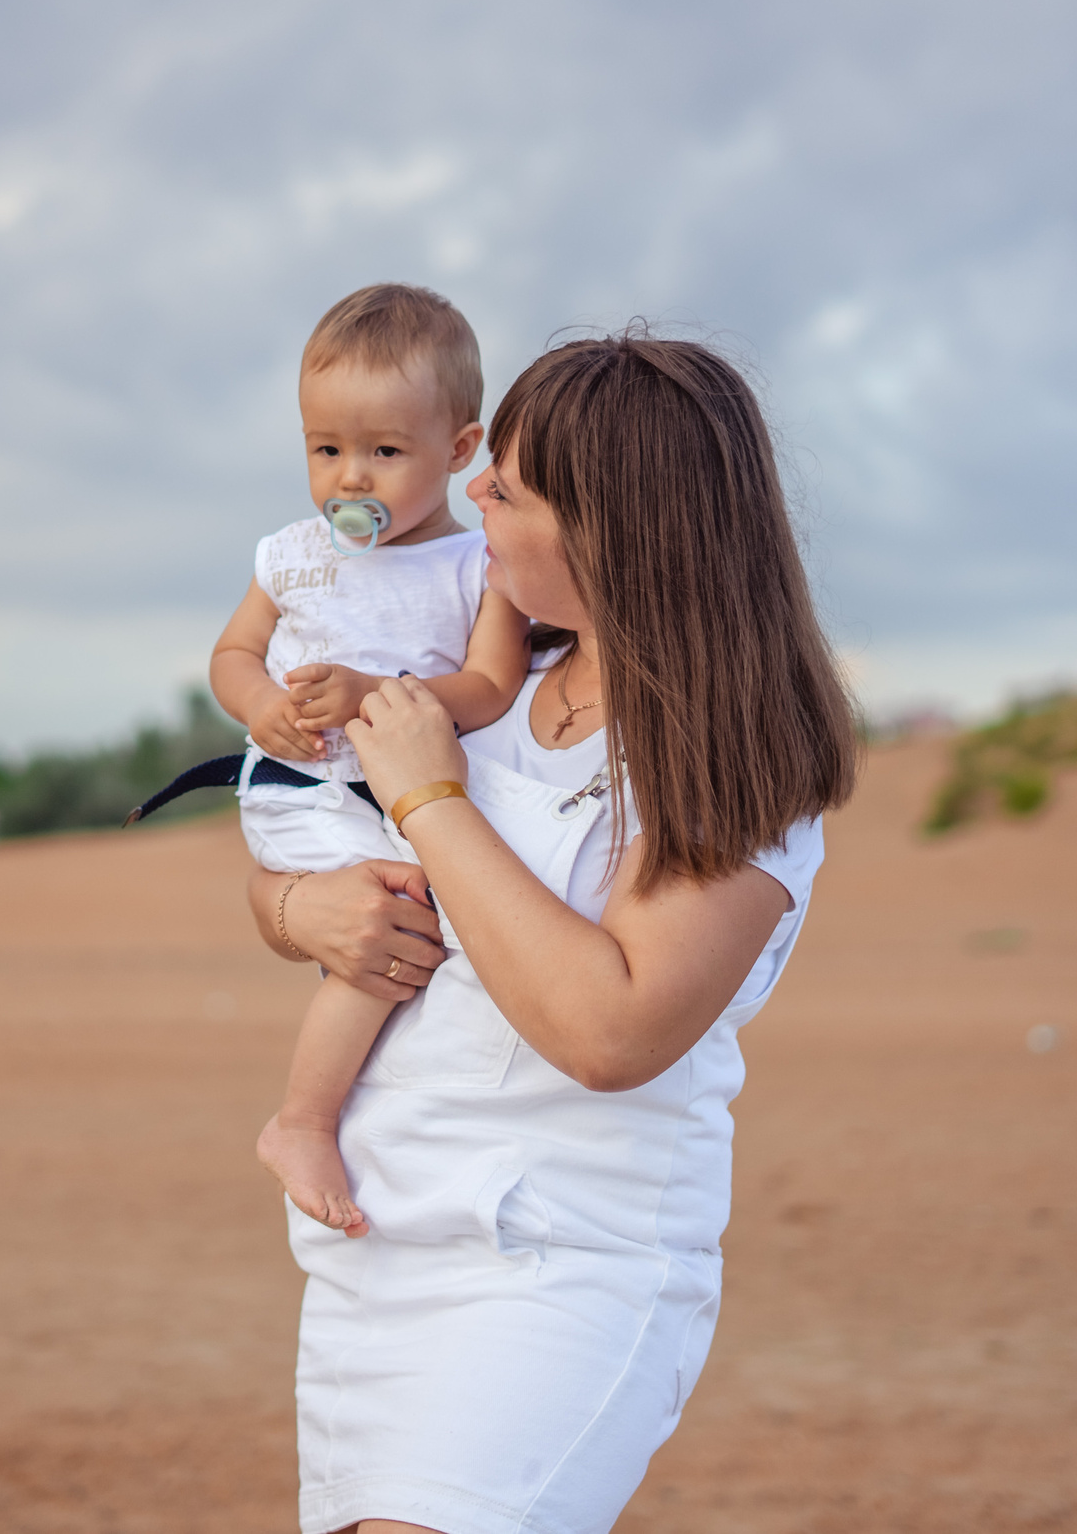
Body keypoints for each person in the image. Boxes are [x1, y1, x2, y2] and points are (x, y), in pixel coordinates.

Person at [247, 331, 859, 1534]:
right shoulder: (489, 686)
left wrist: (431, 797)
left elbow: (611, 1028)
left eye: (508, 487)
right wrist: (291, 912)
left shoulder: (737, 748)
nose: (469, 491)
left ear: (609, 526)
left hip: (564, 1259)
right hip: (381, 1238)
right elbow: (318, 868)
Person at [206, 283, 530, 1238]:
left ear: (460, 450)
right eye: (326, 449)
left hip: (388, 788)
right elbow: (232, 655)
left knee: (400, 932)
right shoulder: (293, 555)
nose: (351, 478)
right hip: (304, 785)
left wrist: (378, 695)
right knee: (393, 932)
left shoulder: (475, 566)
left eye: (385, 452)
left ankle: (340, 1113)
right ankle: (302, 1121)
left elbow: (490, 688)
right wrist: (262, 702)